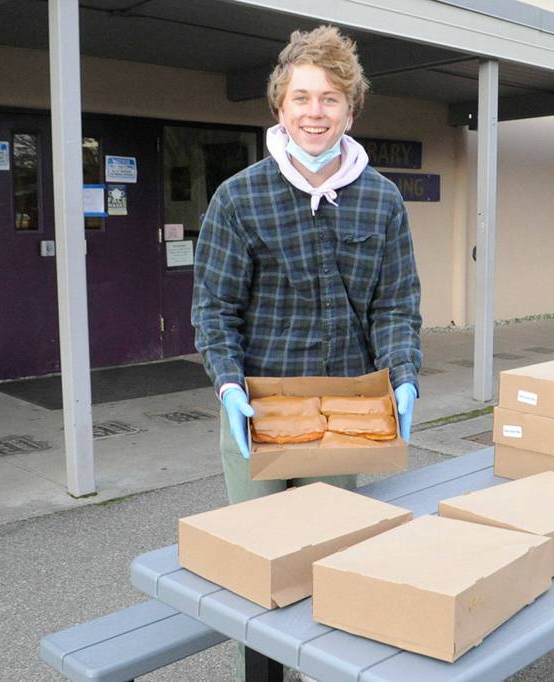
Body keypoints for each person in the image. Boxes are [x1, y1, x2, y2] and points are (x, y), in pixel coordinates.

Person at [192, 24, 422, 507]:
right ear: (281, 107)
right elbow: (215, 310)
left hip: (344, 411)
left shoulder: (382, 200)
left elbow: (396, 306)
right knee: (261, 550)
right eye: (301, 98)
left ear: (350, 111)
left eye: (330, 98)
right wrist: (228, 383)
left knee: (328, 545)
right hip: (258, 407)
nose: (314, 113)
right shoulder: (237, 198)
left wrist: (403, 375)